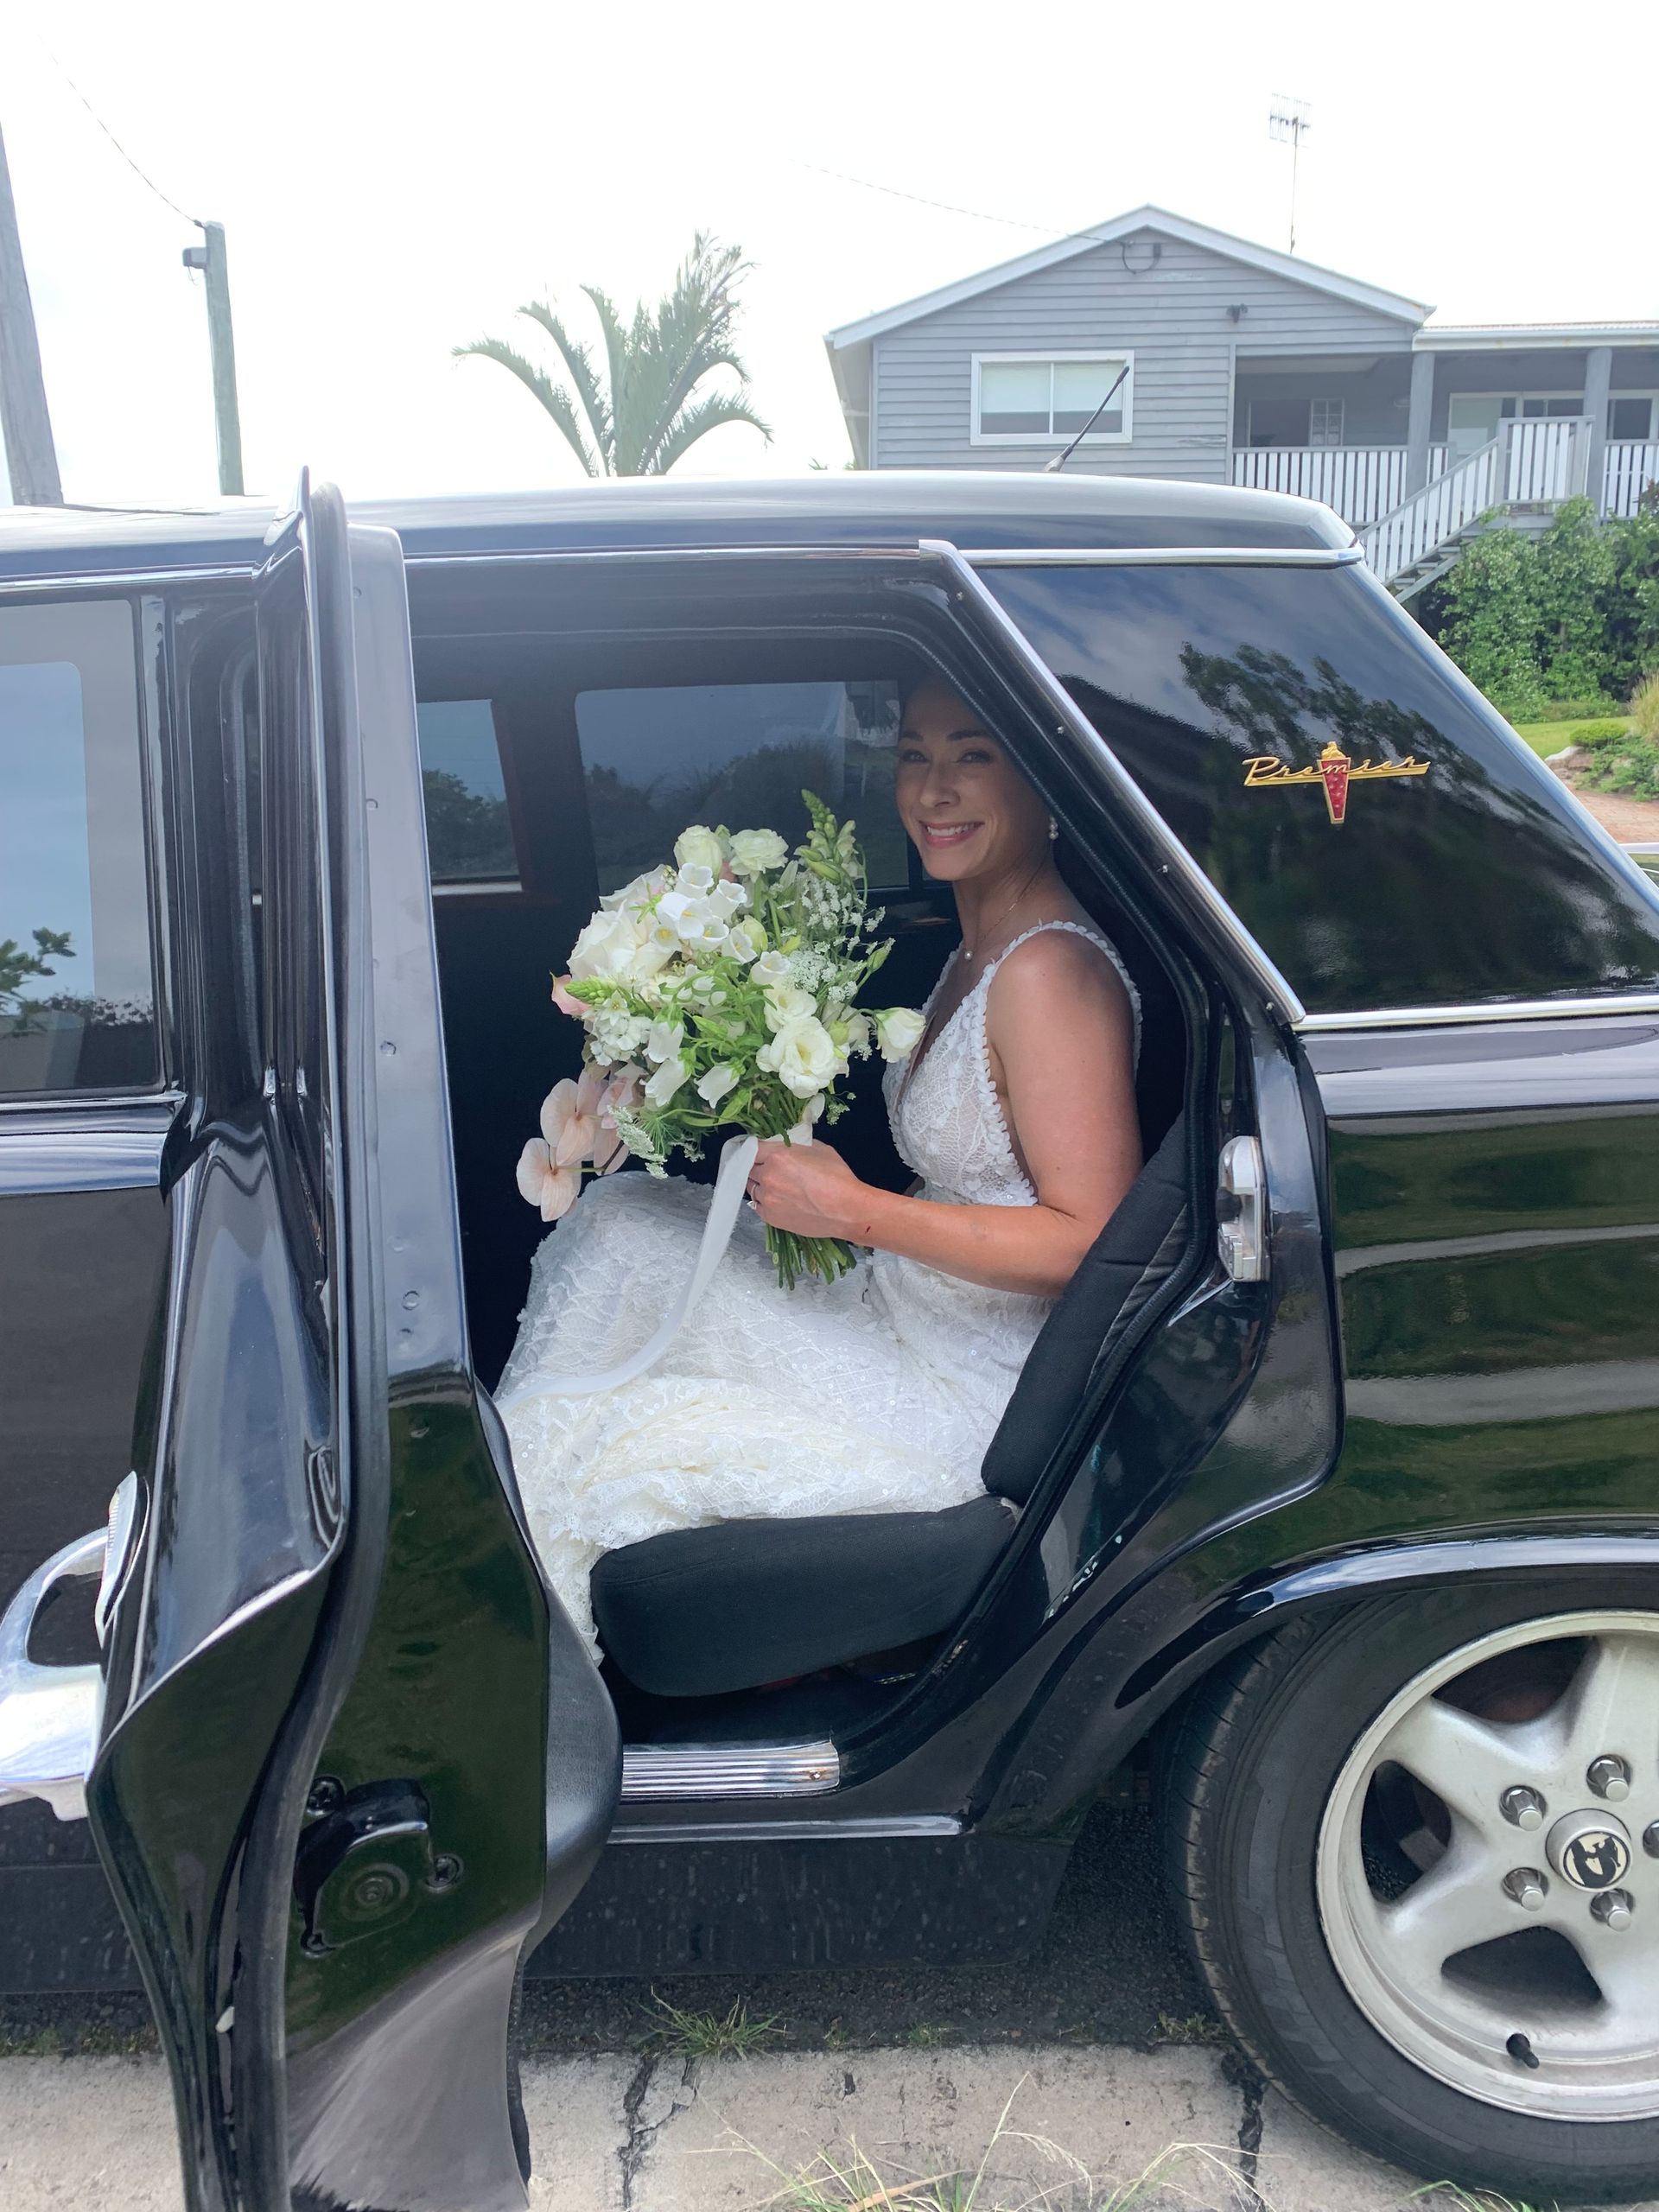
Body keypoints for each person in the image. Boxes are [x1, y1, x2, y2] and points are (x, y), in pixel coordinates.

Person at [497, 678, 1143, 1661]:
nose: (934, 791)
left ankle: (510, 1618)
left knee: (628, 1408)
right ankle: (503, 1543)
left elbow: (1091, 1241)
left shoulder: (1050, 976)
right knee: (623, 1220)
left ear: (1046, 777)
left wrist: (853, 1210)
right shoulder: (980, 945)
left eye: (973, 756)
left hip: (964, 1393)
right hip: (897, 1302)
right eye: (914, 756)